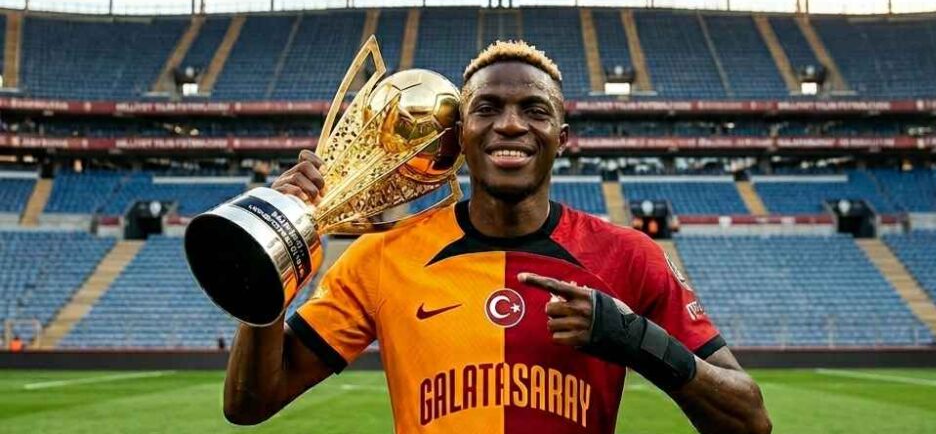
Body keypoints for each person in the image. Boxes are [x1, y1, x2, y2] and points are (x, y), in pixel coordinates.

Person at [223, 41, 771, 433]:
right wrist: (274, 255)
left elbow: (749, 419)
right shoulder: (382, 257)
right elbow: (251, 402)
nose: (510, 125)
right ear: (460, 135)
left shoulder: (628, 256)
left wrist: (635, 339)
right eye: (487, 109)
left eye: (534, 110)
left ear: (563, 137)